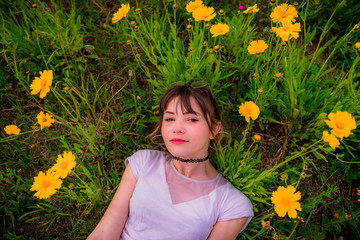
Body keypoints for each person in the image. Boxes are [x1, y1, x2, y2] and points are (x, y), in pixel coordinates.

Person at [88, 84, 254, 240]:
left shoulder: (231, 204)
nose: (177, 128)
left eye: (192, 119)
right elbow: (103, 234)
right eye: (169, 119)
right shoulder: (144, 162)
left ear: (213, 130)